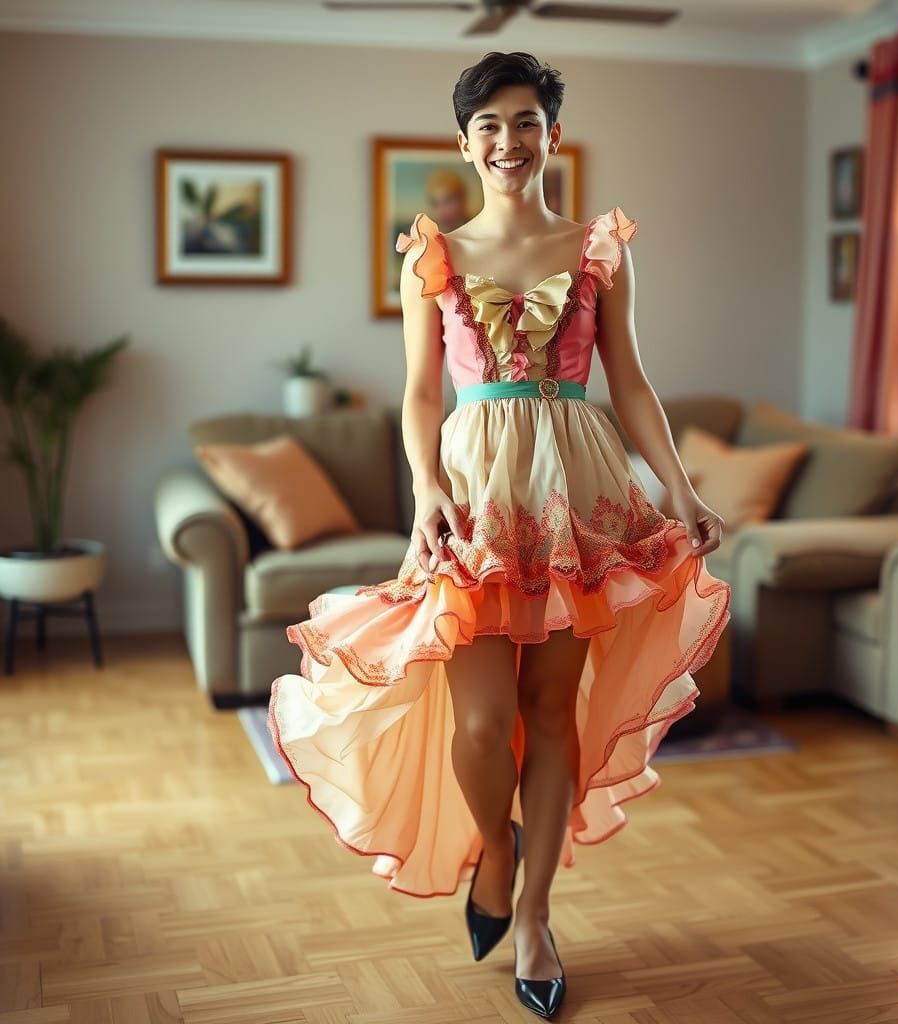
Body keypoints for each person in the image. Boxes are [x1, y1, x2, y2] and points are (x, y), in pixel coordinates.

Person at [269, 50, 731, 1020]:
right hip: (473, 492)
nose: (507, 141)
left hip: (578, 486)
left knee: (551, 711)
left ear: (551, 135)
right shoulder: (430, 255)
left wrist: (679, 489)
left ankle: (531, 913)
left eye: (525, 122)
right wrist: (425, 485)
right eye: (488, 126)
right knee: (481, 721)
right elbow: (418, 394)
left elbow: (632, 383)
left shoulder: (599, 246)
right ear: (463, 143)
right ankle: (498, 844)